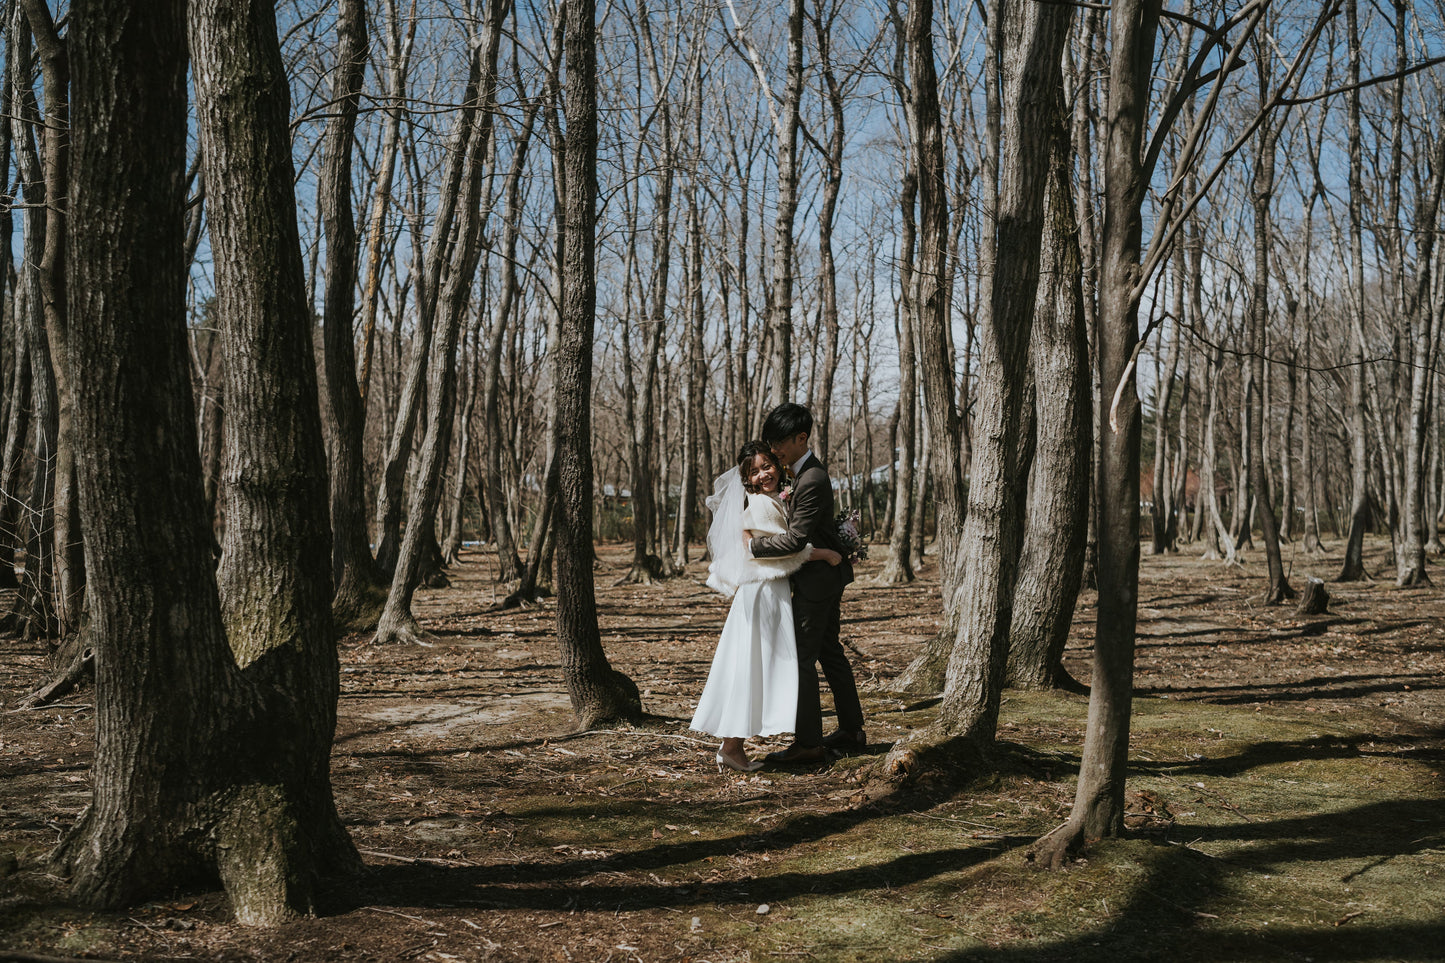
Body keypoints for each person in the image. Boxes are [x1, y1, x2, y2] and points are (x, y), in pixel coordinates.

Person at [691, 441, 843, 772]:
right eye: (754, 471)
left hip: (767, 590)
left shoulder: (772, 500)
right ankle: (732, 746)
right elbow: (785, 549)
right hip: (764, 592)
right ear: (747, 478)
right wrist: (826, 554)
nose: (763, 475)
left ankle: (733, 746)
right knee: (751, 667)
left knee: (753, 666)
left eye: (767, 466)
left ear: (777, 463)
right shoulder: (760, 505)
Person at [747, 403, 866, 766]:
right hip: (825, 578)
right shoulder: (800, 475)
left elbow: (797, 539)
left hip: (817, 583)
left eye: (780, 442)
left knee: (800, 659)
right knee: (830, 652)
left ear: (802, 438)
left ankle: (809, 743)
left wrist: (752, 546)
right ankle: (851, 729)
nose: (775, 449)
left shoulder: (811, 478)